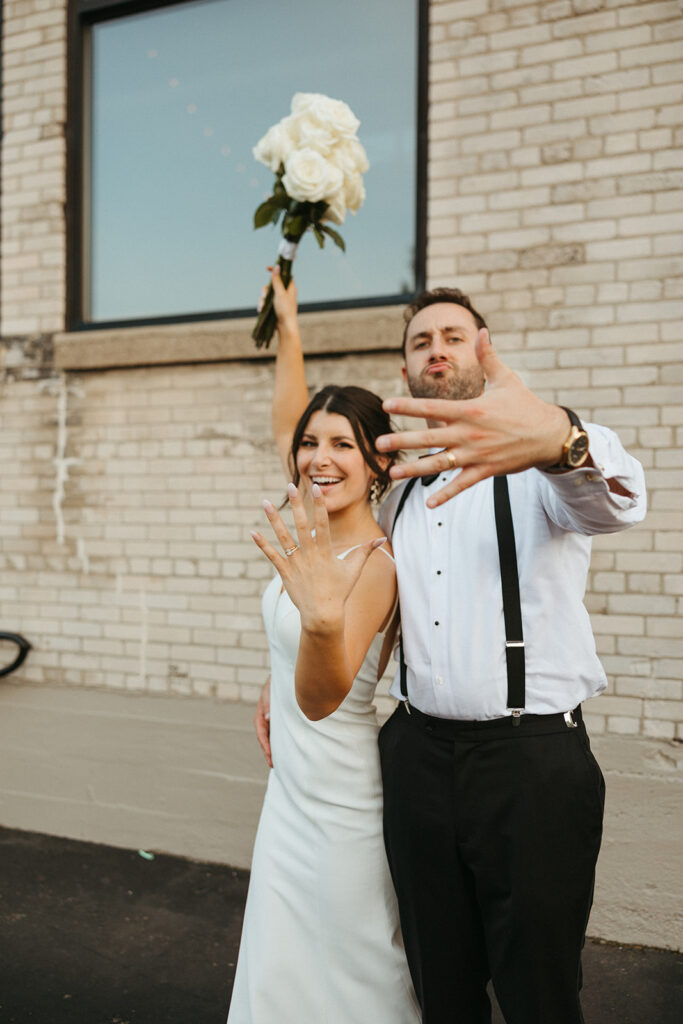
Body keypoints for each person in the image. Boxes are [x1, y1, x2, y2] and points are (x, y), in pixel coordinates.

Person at [369, 287, 647, 1024]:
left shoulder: (543, 468)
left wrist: (562, 438)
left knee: (538, 989)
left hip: (530, 766)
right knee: (439, 979)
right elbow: (368, 614)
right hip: (416, 755)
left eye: (453, 336)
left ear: (481, 349)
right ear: (405, 365)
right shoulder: (394, 490)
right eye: (421, 339)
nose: (436, 349)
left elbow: (618, 501)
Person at [227, 268, 420, 1024]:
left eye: (343, 444)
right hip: (290, 796)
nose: (318, 457)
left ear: (376, 463)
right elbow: (286, 418)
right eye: (312, 444)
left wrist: (318, 621)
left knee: (352, 967)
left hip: (342, 801)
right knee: (279, 963)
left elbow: (321, 695)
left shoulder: (374, 564)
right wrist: (290, 325)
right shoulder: (308, 517)